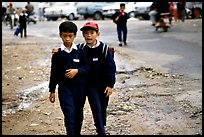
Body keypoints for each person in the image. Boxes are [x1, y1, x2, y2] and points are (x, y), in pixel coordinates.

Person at [48, 21, 90, 135]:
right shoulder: (57, 54)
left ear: (75, 35)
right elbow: (54, 73)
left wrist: (77, 71)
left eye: (70, 36)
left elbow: (87, 67)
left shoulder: (80, 51)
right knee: (69, 113)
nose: (67, 39)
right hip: (64, 89)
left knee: (78, 113)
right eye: (64, 36)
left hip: (80, 88)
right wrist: (52, 90)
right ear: (60, 35)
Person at [79, 22, 116, 135]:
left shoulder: (104, 49)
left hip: (104, 85)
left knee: (103, 106)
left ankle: (101, 125)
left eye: (91, 33)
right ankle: (101, 131)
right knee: (96, 107)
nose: (89, 36)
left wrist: (110, 85)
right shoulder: (80, 48)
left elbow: (111, 68)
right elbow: (69, 52)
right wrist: (57, 51)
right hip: (90, 85)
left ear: (97, 34)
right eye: (86, 33)